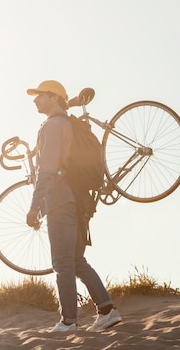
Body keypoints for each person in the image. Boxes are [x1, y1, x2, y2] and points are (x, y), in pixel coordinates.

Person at [25, 80, 122, 333]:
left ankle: (68, 321)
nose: (35, 100)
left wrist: (35, 206)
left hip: (60, 202)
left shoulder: (53, 126)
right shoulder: (67, 124)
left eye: (40, 96)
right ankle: (107, 310)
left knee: (63, 263)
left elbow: (47, 170)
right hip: (80, 203)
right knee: (76, 261)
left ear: (54, 98)